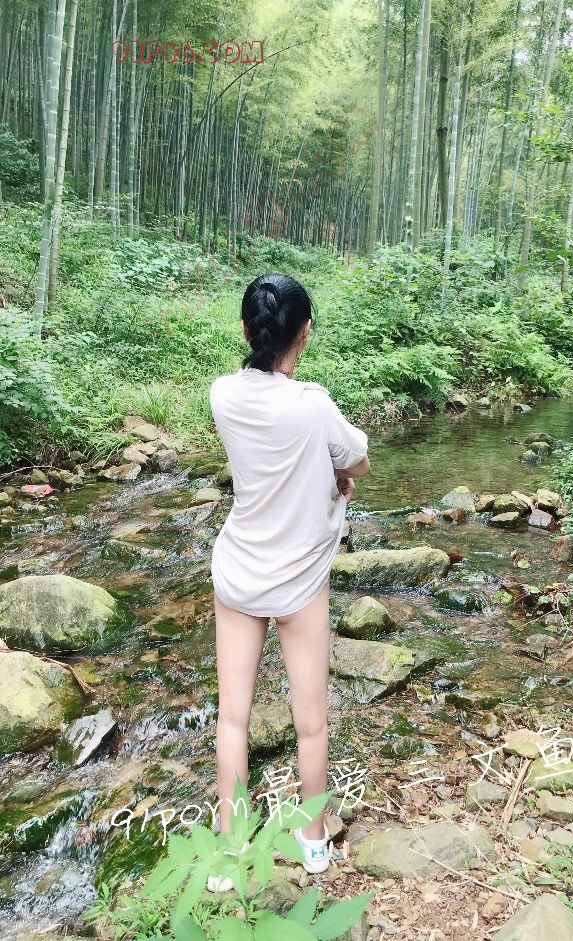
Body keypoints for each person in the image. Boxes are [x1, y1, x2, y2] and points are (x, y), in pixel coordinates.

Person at [207, 272, 370, 888]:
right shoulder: (313, 404)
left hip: (239, 571)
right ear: (304, 332)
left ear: (245, 330)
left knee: (233, 719)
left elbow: (267, 461)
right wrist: (334, 476)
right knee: (311, 720)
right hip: (299, 580)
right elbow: (357, 461)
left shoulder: (223, 393)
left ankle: (229, 852)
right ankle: (313, 840)